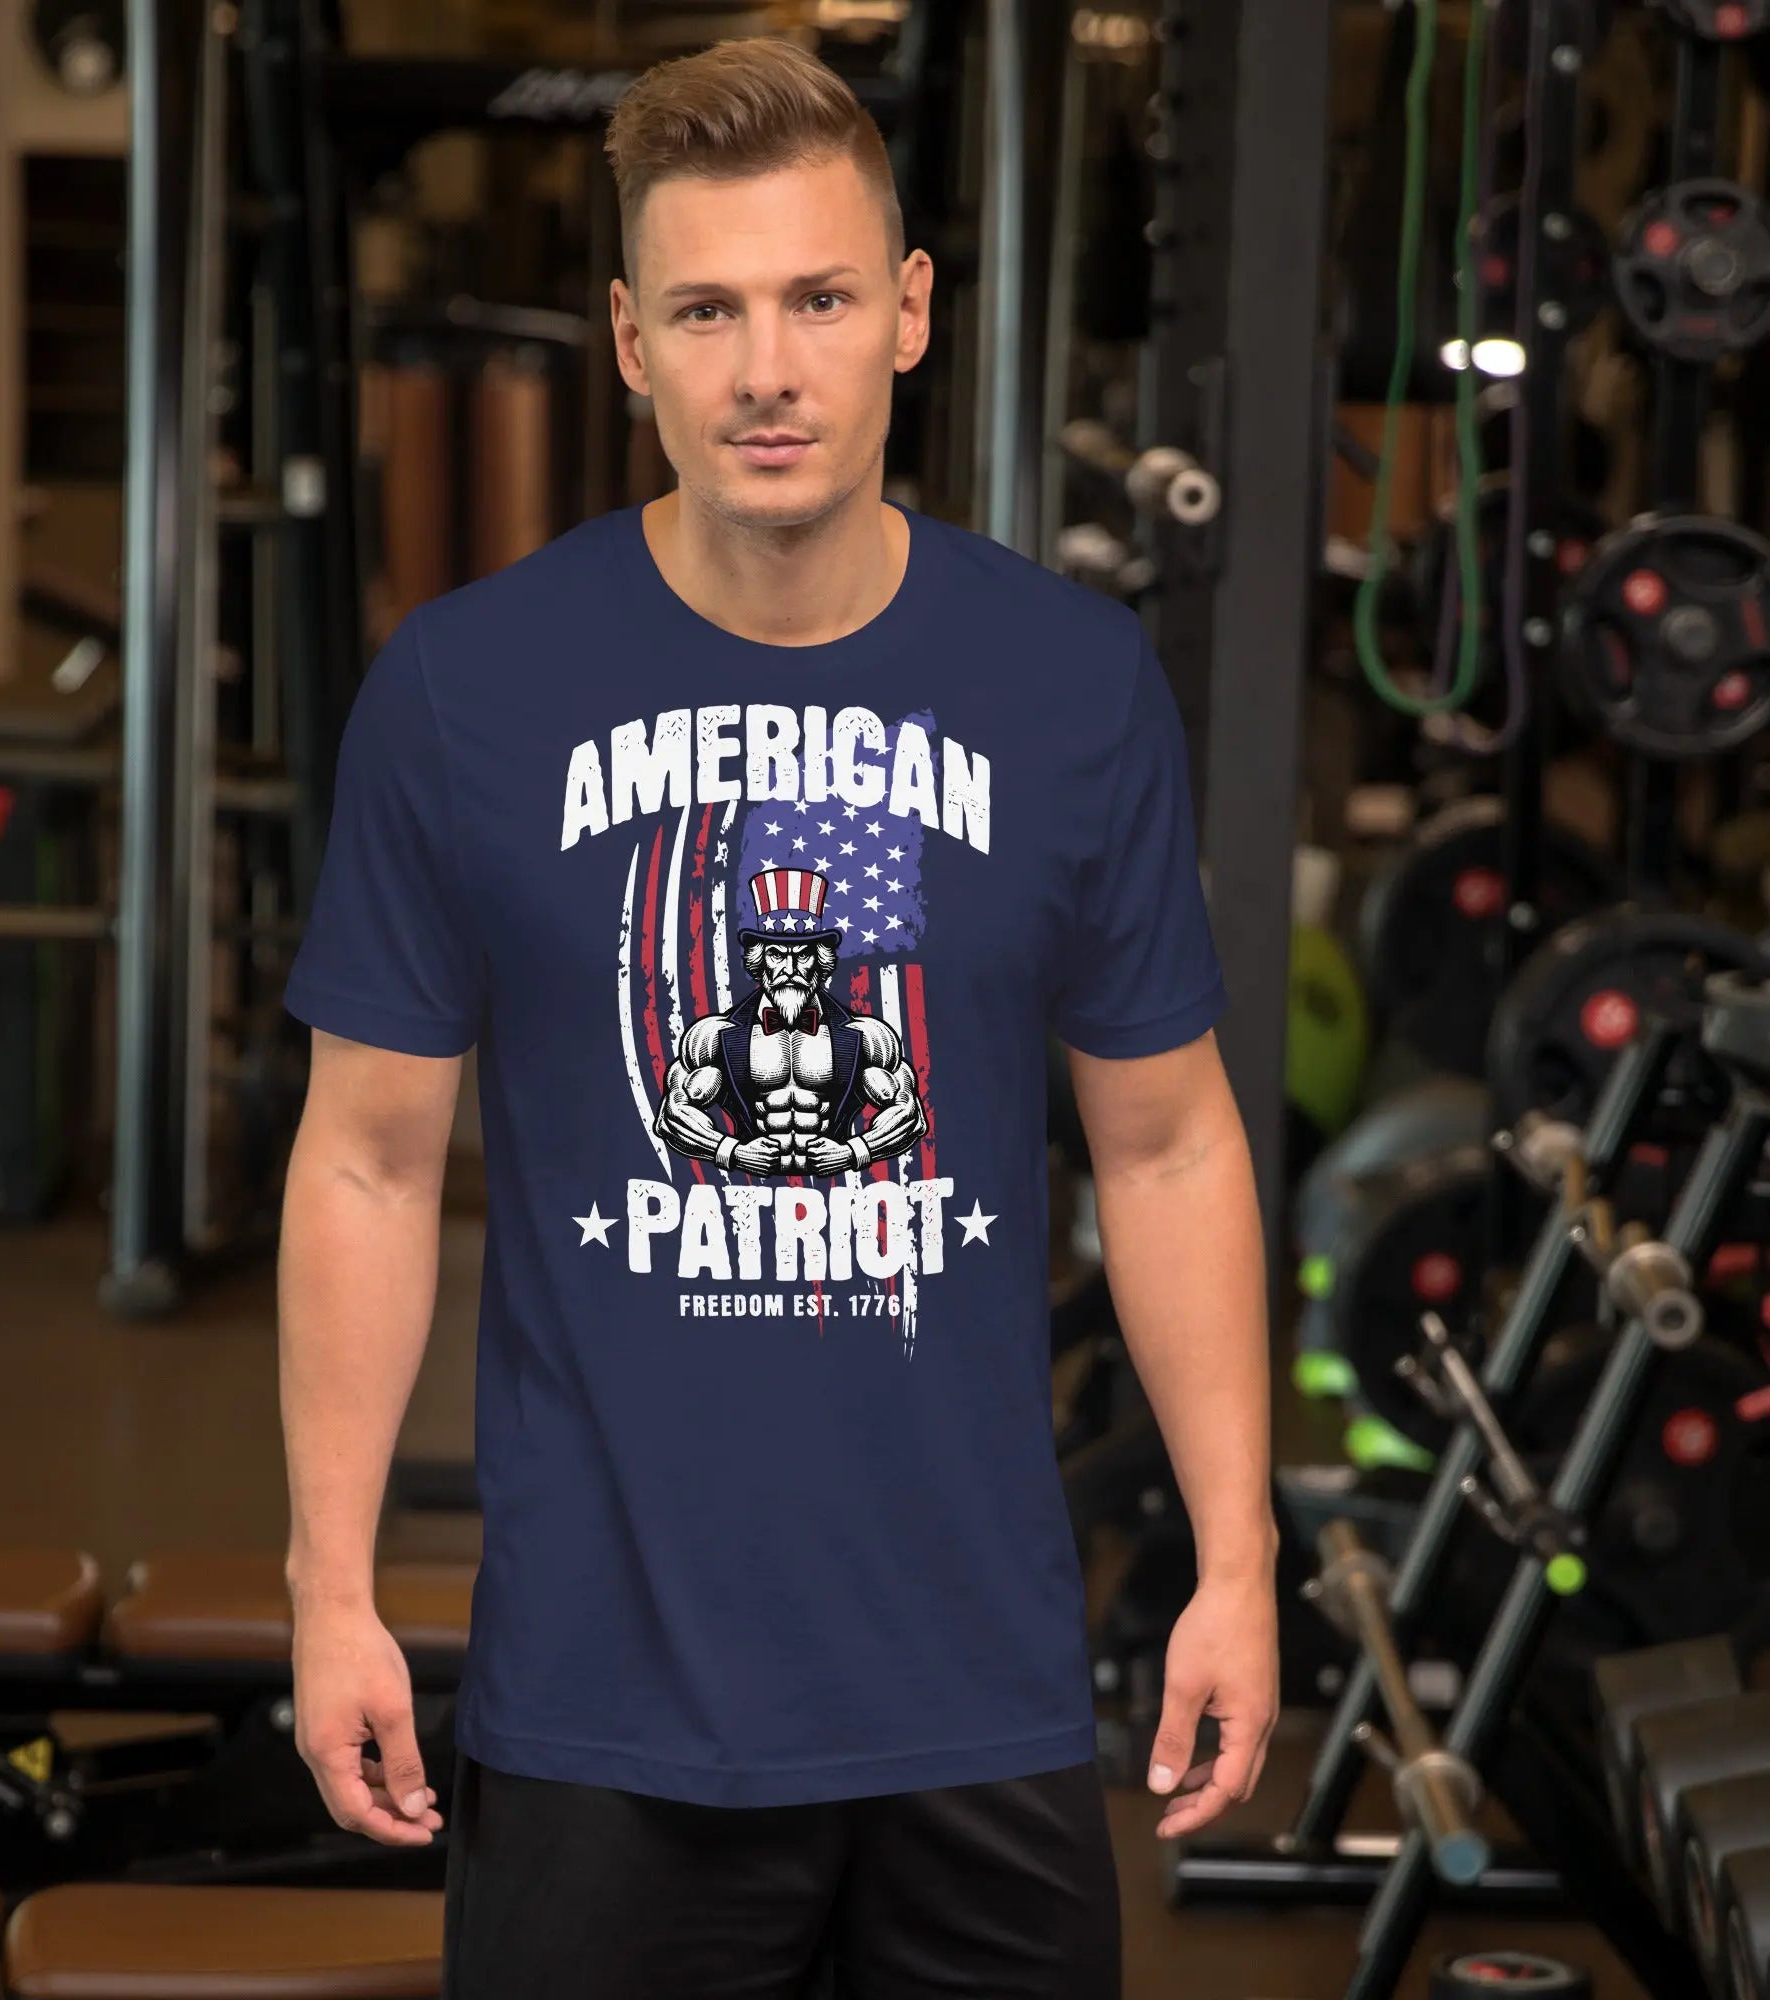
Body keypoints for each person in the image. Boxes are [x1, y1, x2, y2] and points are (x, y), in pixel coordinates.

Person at [278, 32, 1276, 2000]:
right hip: (602, 1707)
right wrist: (329, 1587)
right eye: (710, 310)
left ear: (906, 315)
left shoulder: (1067, 687)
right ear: (630, 339)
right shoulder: (470, 691)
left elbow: (1167, 1138)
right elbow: (369, 1159)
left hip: (974, 1700)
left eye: (818, 298)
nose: (766, 370)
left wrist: (1231, 1564)